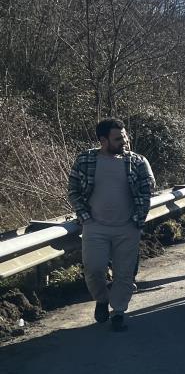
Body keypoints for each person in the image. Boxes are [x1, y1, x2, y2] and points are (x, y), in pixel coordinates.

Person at [67, 118, 155, 331]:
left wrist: (138, 220)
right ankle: (102, 299)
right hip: (95, 226)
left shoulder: (137, 161)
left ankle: (118, 312)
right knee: (94, 270)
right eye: (118, 139)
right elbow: (73, 190)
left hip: (127, 227)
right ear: (103, 140)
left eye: (124, 137)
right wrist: (84, 216)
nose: (124, 142)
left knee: (124, 274)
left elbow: (147, 190)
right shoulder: (85, 160)